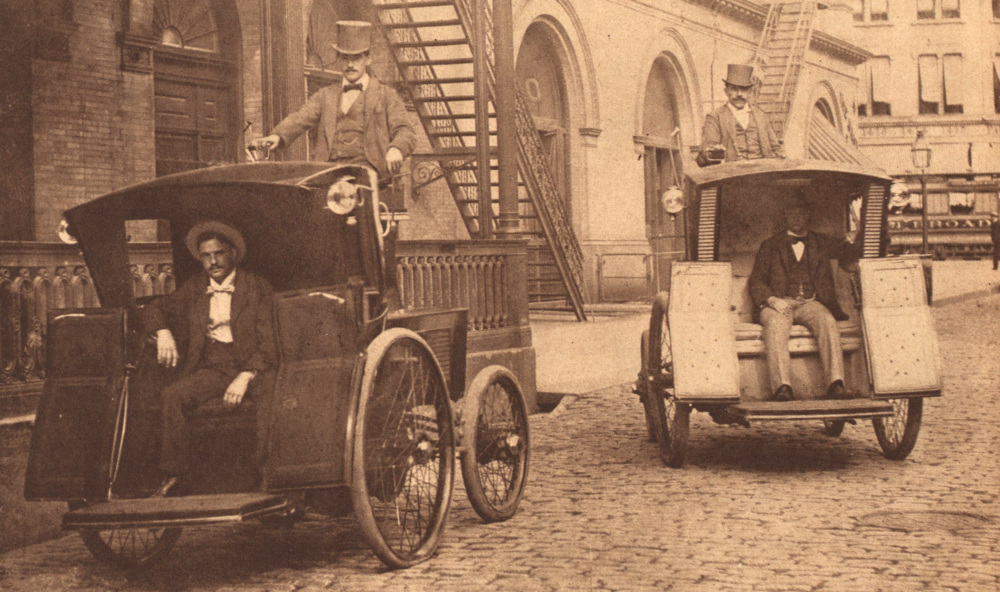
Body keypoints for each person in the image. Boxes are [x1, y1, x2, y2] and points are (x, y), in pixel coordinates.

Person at [146, 221, 276, 496]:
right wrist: (162, 332)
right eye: (205, 256)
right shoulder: (195, 288)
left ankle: (268, 475)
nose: (212, 261)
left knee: (271, 398)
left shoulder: (256, 288)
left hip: (255, 368)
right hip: (214, 367)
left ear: (232, 254)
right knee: (173, 395)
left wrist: (245, 376)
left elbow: (269, 343)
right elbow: (155, 307)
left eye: (218, 253)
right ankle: (176, 475)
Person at [255, 20, 416, 183]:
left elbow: (405, 131)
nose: (350, 65)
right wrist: (277, 136)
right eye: (345, 58)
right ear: (338, 59)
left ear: (368, 59)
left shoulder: (387, 95)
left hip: (370, 175)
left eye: (356, 58)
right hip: (328, 172)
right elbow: (300, 118)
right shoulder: (325, 95)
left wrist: (396, 149)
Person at [748, 197, 859, 402]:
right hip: (779, 304)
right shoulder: (771, 245)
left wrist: (855, 238)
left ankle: (836, 384)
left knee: (827, 321)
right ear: (785, 217)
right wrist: (772, 300)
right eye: (791, 214)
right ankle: (782, 387)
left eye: (800, 214)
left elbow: (851, 252)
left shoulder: (821, 242)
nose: (796, 218)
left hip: (810, 302)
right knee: (775, 326)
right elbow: (756, 281)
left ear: (808, 216)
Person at [696, 64, 783, 167]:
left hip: (762, 174)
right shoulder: (715, 117)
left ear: (750, 92)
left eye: (744, 89)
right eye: (734, 89)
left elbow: (776, 148)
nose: (739, 94)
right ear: (726, 91)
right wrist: (714, 152)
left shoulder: (761, 116)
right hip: (733, 176)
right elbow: (709, 148)